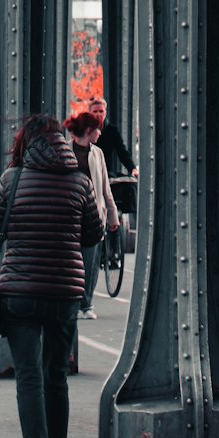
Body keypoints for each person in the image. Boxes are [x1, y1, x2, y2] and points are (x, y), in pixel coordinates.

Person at [0, 113, 102, 438]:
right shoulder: (80, 182)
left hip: (19, 292)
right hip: (65, 293)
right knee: (56, 374)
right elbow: (94, 233)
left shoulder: (12, 180)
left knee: (29, 378)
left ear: (25, 143)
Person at [65, 111, 120, 320]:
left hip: (93, 215)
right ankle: (72, 301)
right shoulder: (65, 150)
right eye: (97, 129)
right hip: (69, 215)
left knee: (90, 261)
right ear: (89, 130)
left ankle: (86, 304)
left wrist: (112, 215)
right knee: (71, 261)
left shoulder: (97, 153)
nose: (100, 133)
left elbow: (105, 187)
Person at [86, 97, 136, 177]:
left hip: (106, 172)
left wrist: (133, 169)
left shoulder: (112, 130)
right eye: (95, 111)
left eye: (101, 111)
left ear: (105, 113)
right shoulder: (84, 130)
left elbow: (122, 152)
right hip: (88, 172)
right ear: (89, 113)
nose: (98, 114)